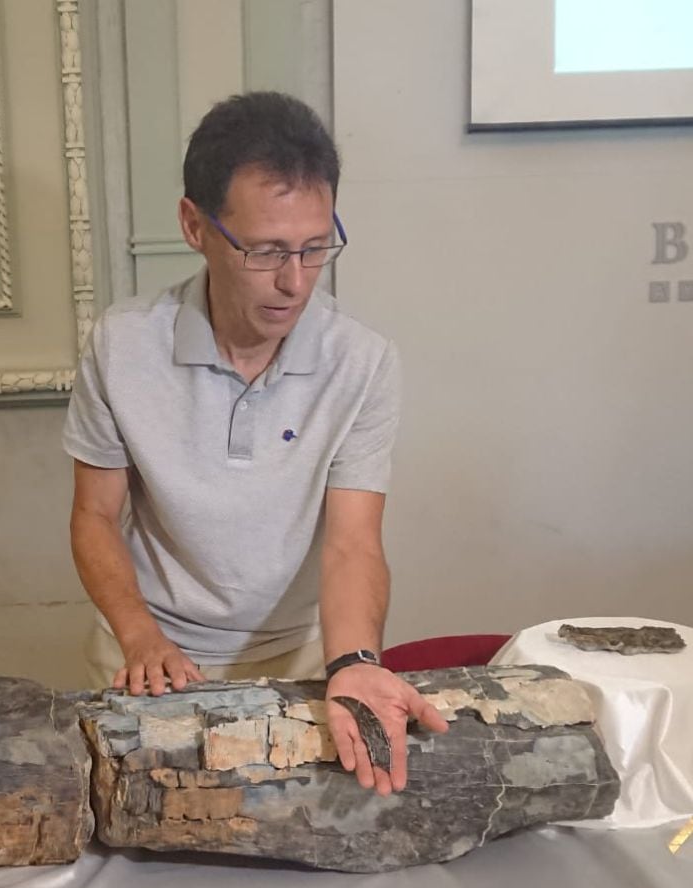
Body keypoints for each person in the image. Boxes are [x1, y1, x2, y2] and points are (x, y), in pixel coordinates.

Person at [63, 91, 446, 795]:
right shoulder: (122, 347)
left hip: (299, 660)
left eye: (314, 248)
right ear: (195, 225)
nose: (293, 281)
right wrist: (139, 635)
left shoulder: (361, 362)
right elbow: (93, 516)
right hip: (148, 652)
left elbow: (353, 542)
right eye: (266, 251)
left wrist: (353, 661)